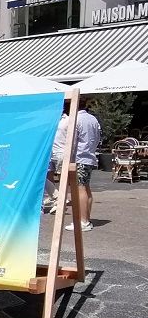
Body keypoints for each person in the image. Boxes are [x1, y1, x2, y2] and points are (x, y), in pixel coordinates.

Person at [65, 98, 101, 232]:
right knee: (85, 188)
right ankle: (86, 219)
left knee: (80, 189)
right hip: (89, 156)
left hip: (79, 157)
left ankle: (83, 220)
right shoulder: (93, 119)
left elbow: (72, 142)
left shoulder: (76, 120)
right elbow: (97, 138)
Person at [44, 106, 69, 213]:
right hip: (50, 153)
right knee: (48, 175)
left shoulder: (67, 120)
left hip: (61, 152)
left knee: (62, 178)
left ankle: (61, 200)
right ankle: (54, 197)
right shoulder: (50, 120)